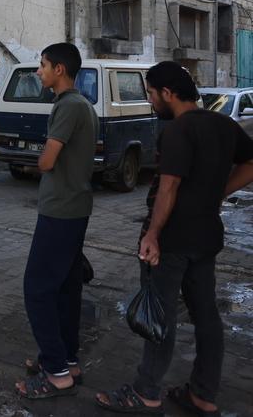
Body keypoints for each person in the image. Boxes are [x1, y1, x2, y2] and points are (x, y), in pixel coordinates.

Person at [96, 62, 253, 415]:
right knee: (207, 315)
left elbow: (169, 186)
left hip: (172, 239)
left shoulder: (179, 131)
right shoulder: (224, 126)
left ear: (168, 93)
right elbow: (251, 162)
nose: (150, 101)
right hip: (206, 236)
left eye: (151, 94)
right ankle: (203, 393)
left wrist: (153, 234)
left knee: (159, 316)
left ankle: (146, 391)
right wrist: (219, 193)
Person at [14, 43, 98, 399]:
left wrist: (35, 157)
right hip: (73, 207)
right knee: (66, 288)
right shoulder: (82, 105)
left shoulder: (68, 106)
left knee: (37, 289)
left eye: (43, 65)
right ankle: (68, 360)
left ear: (59, 69)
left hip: (61, 210)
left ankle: (57, 371)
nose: (39, 71)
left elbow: (48, 161)